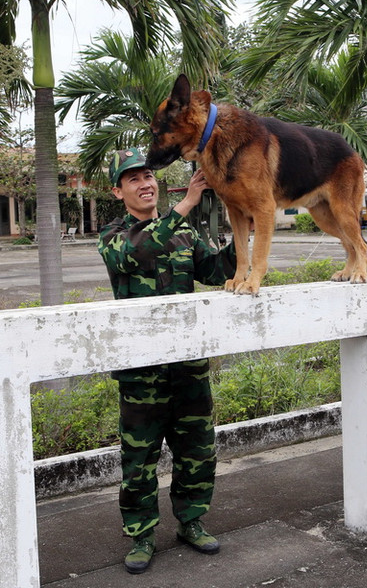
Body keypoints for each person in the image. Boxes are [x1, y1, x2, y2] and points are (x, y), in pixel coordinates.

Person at [97, 148, 237, 574]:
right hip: (142, 374)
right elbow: (136, 251)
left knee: (197, 450)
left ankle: (191, 522)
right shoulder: (113, 236)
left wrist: (248, 224)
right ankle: (141, 535)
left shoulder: (185, 235)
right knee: (139, 459)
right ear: (118, 191)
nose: (145, 183)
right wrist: (188, 203)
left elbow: (216, 271)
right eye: (133, 178)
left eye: (148, 175)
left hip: (188, 368)